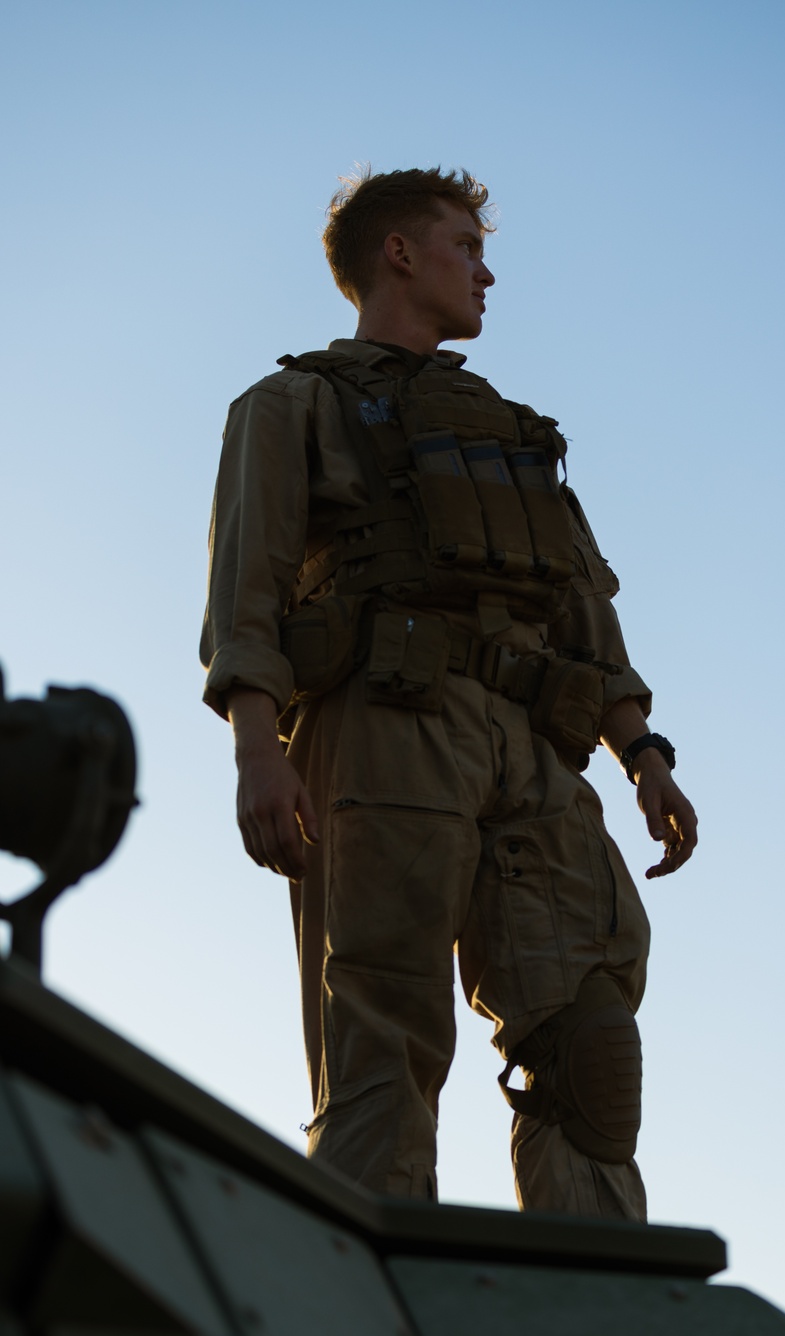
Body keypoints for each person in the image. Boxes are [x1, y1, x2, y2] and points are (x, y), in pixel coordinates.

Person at [201, 167, 697, 1220]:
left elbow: (582, 609)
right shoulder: (294, 404)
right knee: (384, 1034)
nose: (486, 270)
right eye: (465, 245)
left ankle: (593, 1316)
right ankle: (379, 1307)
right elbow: (246, 590)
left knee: (590, 1043)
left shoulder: (513, 432)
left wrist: (643, 751)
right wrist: (256, 746)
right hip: (387, 727)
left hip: (533, 746)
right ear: (398, 254)